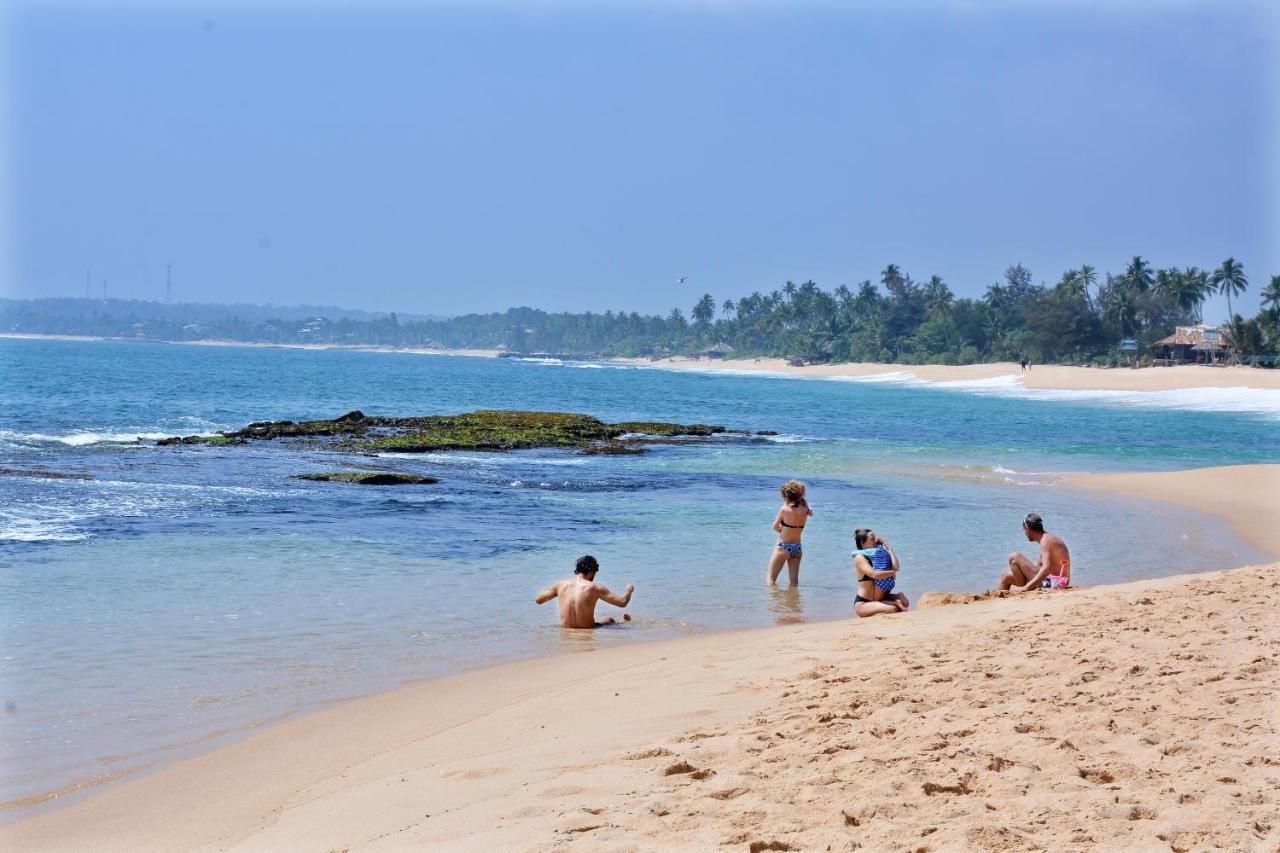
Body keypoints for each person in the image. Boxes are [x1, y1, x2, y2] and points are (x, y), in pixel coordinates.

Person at [535, 555, 634, 628]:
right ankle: (623, 622)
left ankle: (621, 622)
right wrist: (629, 590)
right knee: (610, 620)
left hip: (566, 630)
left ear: (578, 570)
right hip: (588, 629)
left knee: (606, 621)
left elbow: (539, 600)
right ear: (592, 571)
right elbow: (622, 602)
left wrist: (556, 592)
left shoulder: (561, 585)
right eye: (595, 573)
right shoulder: (595, 587)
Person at [1000, 512, 1071, 591]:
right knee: (1006, 575)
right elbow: (1038, 569)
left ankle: (1025, 585)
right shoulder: (1047, 539)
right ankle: (999, 601)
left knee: (1014, 556)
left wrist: (1026, 587)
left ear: (1027, 529)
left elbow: (1047, 569)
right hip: (1054, 581)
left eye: (1024, 530)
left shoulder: (1046, 541)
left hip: (1054, 583)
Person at [853, 528, 909, 617]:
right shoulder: (860, 557)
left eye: (875, 537)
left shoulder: (880, 557)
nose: (876, 540)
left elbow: (896, 567)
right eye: (872, 539)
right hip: (864, 602)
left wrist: (888, 548)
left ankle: (895, 600)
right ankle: (895, 601)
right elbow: (874, 574)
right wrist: (892, 572)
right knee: (892, 609)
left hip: (879, 599)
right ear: (862, 543)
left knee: (899, 606)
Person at [766, 480, 813, 586]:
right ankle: (793, 603)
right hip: (797, 548)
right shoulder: (805, 510)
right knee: (794, 582)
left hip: (783, 546)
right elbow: (805, 506)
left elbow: (774, 527)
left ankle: (772, 601)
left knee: (771, 579)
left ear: (786, 496)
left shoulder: (784, 510)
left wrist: (782, 531)